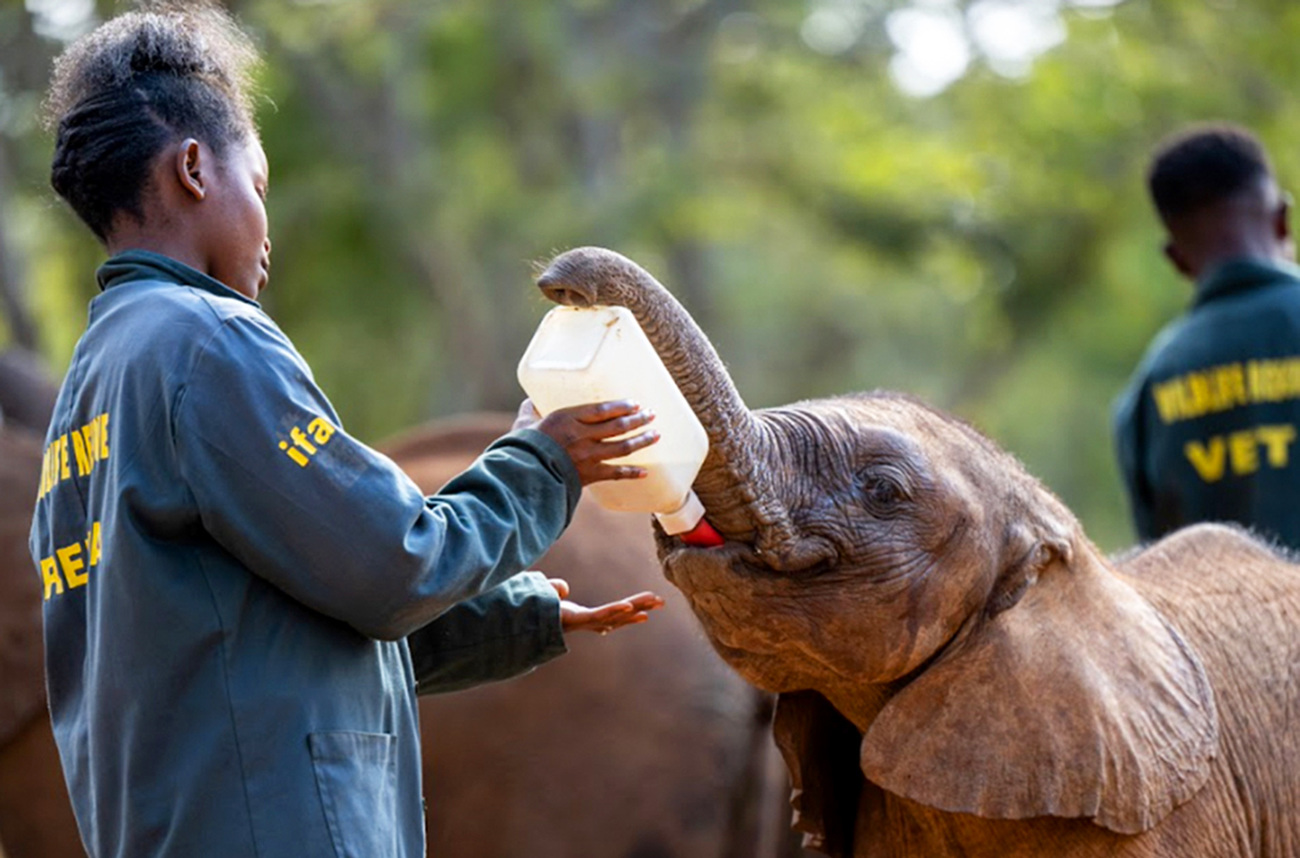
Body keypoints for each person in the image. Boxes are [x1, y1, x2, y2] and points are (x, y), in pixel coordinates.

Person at [29, 6, 666, 857]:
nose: (267, 228)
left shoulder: (90, 390)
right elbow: (392, 563)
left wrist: (514, 619)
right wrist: (542, 464)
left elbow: (249, 647)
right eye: (258, 187)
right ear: (192, 169)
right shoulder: (208, 340)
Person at [1113, 123, 1300, 547]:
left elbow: (1158, 561)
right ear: (1282, 220)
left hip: (1227, 615)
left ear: (1176, 260)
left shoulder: (1149, 388)